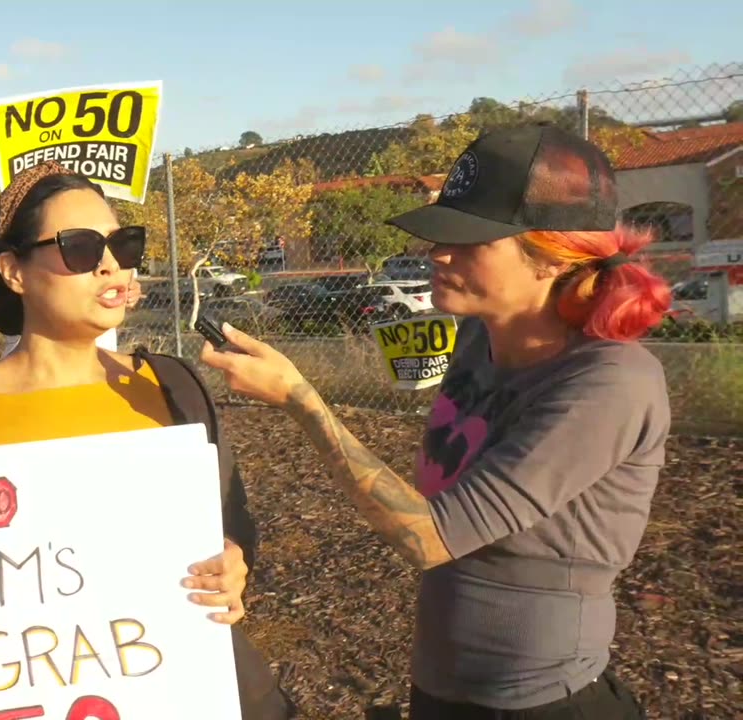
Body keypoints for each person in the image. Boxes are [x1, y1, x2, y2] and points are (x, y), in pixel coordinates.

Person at [200, 124, 670, 719]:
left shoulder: (610, 383)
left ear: (552, 258)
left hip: (543, 703)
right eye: (443, 235)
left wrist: (301, 400)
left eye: (471, 241)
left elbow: (429, 536)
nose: (438, 254)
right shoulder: (478, 338)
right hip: (446, 688)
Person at [0, 161, 295, 719]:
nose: (111, 265)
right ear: (13, 271)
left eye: (122, 244)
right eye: (80, 248)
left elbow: (230, 521)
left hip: (200, 689)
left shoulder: (173, 386)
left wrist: (233, 560)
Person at [0, 206, 141, 358]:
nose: (110, 265)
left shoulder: (97, 209)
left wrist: (127, 291)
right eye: (75, 247)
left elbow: (129, 284)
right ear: (13, 270)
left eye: (119, 241)